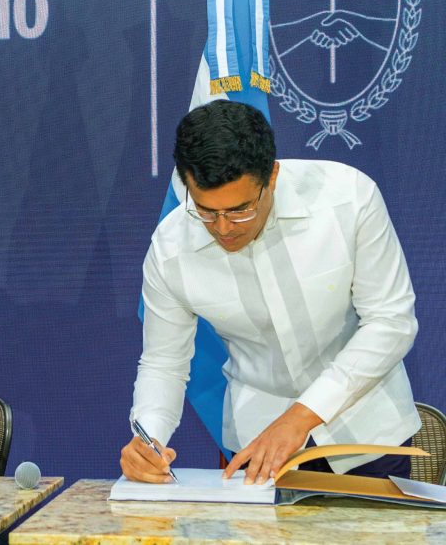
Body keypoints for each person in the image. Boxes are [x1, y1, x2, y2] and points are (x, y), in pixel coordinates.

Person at [122, 100, 419, 485]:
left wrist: (301, 416)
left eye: (240, 210)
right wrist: (148, 438)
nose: (223, 228)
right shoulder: (171, 248)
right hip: (257, 445)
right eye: (206, 211)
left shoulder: (348, 198)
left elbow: (391, 323)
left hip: (368, 432)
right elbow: (164, 362)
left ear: (272, 177)